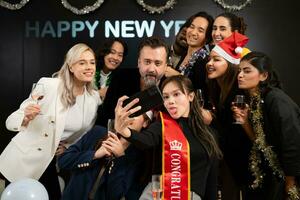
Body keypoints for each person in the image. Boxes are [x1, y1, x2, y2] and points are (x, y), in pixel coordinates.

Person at [0, 43, 101, 200]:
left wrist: (66, 146)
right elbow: (11, 120)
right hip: (23, 162)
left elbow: (84, 132)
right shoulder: (49, 85)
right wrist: (25, 117)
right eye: (82, 62)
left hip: (50, 163)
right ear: (70, 67)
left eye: (92, 62)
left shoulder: (93, 98)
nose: (89, 67)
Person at [115, 75, 222, 200]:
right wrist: (124, 131)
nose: (170, 101)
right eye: (166, 97)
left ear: (191, 96)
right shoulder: (162, 125)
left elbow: (211, 181)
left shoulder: (210, 134)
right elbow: (145, 140)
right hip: (157, 194)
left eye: (176, 94)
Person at [232, 51, 300, 199]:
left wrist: (290, 181)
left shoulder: (276, 100)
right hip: (273, 173)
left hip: (289, 176)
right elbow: (261, 143)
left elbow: (292, 141)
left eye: (247, 71)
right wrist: (244, 123)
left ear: (264, 75)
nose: (240, 75)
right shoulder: (256, 100)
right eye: (239, 71)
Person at [58, 111, 152, 200]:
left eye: (135, 114)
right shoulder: (97, 132)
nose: (128, 116)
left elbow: (115, 195)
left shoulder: (138, 158)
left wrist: (119, 159)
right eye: (127, 111)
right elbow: (63, 161)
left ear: (145, 122)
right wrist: (95, 154)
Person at [206, 32, 252, 199]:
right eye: (209, 59)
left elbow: (237, 132)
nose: (209, 64)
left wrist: (212, 119)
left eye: (216, 60)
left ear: (231, 64)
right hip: (228, 161)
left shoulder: (240, 94)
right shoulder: (216, 88)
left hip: (244, 164)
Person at [96, 36, 169, 127]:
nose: (151, 69)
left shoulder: (171, 87)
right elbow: (105, 117)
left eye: (157, 63)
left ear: (166, 66)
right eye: (147, 62)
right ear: (139, 63)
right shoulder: (121, 77)